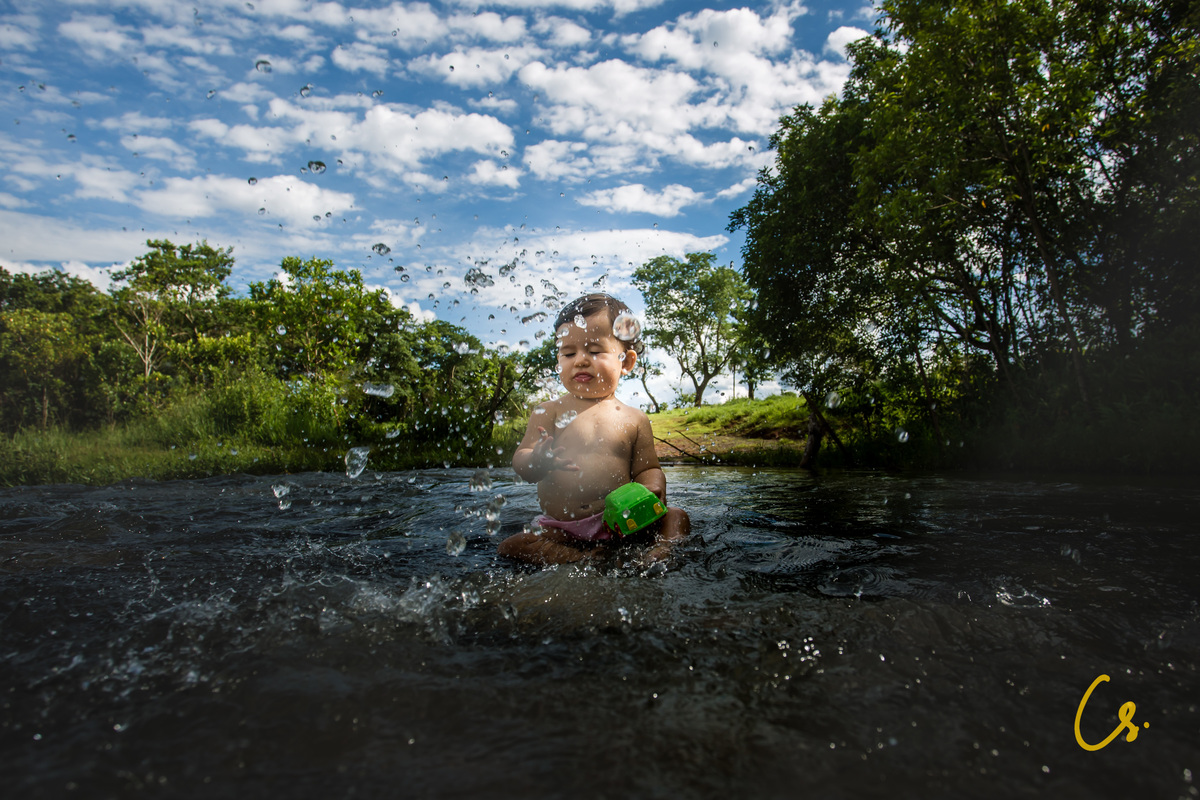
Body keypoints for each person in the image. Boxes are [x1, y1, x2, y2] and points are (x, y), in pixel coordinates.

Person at [498, 293, 690, 565]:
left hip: (620, 524)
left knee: (676, 517)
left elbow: (647, 468)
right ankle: (577, 558)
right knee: (514, 544)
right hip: (561, 527)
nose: (580, 360)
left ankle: (659, 553)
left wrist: (652, 486)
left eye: (595, 350)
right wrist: (537, 460)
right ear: (558, 361)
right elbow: (522, 459)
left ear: (626, 362)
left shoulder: (634, 419)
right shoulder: (548, 410)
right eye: (568, 353)